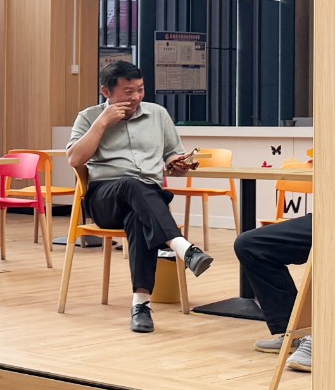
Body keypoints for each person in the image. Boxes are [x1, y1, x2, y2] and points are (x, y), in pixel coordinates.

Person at [65, 60, 213, 333]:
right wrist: (102, 122)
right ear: (106, 91)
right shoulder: (88, 117)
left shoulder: (158, 115)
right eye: (128, 91)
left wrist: (176, 162)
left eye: (140, 90)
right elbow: (75, 159)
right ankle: (183, 248)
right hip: (105, 198)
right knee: (132, 184)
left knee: (139, 219)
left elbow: (171, 153)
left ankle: (141, 306)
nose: (136, 97)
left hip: (147, 199)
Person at [236, 213, 313, 371]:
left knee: (328, 245)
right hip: (324, 215)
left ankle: (321, 337)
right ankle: (295, 332)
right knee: (249, 245)